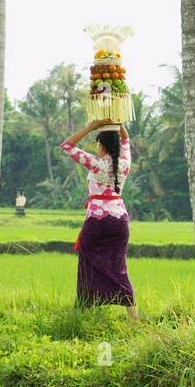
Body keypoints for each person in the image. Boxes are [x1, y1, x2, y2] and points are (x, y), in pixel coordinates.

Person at [61, 119, 139, 321]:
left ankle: (83, 313)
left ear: (101, 145)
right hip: (119, 221)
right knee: (119, 267)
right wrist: (117, 123)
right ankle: (134, 320)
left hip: (96, 222)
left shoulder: (95, 164)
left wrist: (91, 127)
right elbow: (126, 139)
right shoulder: (125, 164)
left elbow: (67, 145)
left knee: (87, 266)